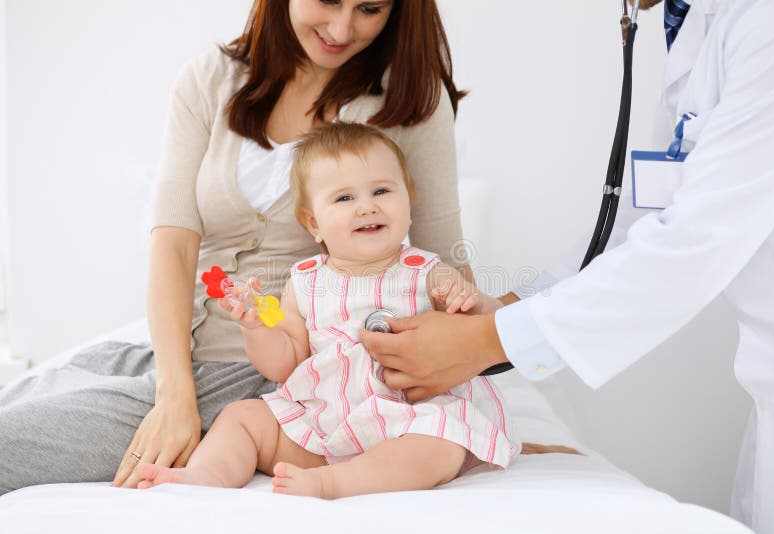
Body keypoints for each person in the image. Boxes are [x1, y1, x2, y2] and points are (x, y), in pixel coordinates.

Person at [360, 1, 774, 533]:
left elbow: (694, 241)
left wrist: (488, 343)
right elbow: (650, 210)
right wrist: (502, 311)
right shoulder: (699, 22)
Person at [0, 0, 472, 494]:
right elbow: (173, 245)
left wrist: (468, 428)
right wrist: (175, 391)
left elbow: (451, 274)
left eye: (369, 8)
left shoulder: (409, 100)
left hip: (282, 378)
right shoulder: (210, 79)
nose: (341, 27)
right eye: (328, 0)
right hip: (175, 358)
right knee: (30, 390)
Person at [135, 123, 520, 498]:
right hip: (324, 425)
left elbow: (479, 324)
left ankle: (337, 484)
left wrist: (463, 299)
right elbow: (286, 363)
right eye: (345, 198)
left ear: (409, 199)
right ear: (314, 223)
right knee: (242, 417)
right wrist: (257, 329)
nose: (367, 207)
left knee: (440, 443)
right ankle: (207, 474)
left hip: (407, 421)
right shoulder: (304, 282)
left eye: (382, 191)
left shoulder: (427, 270)